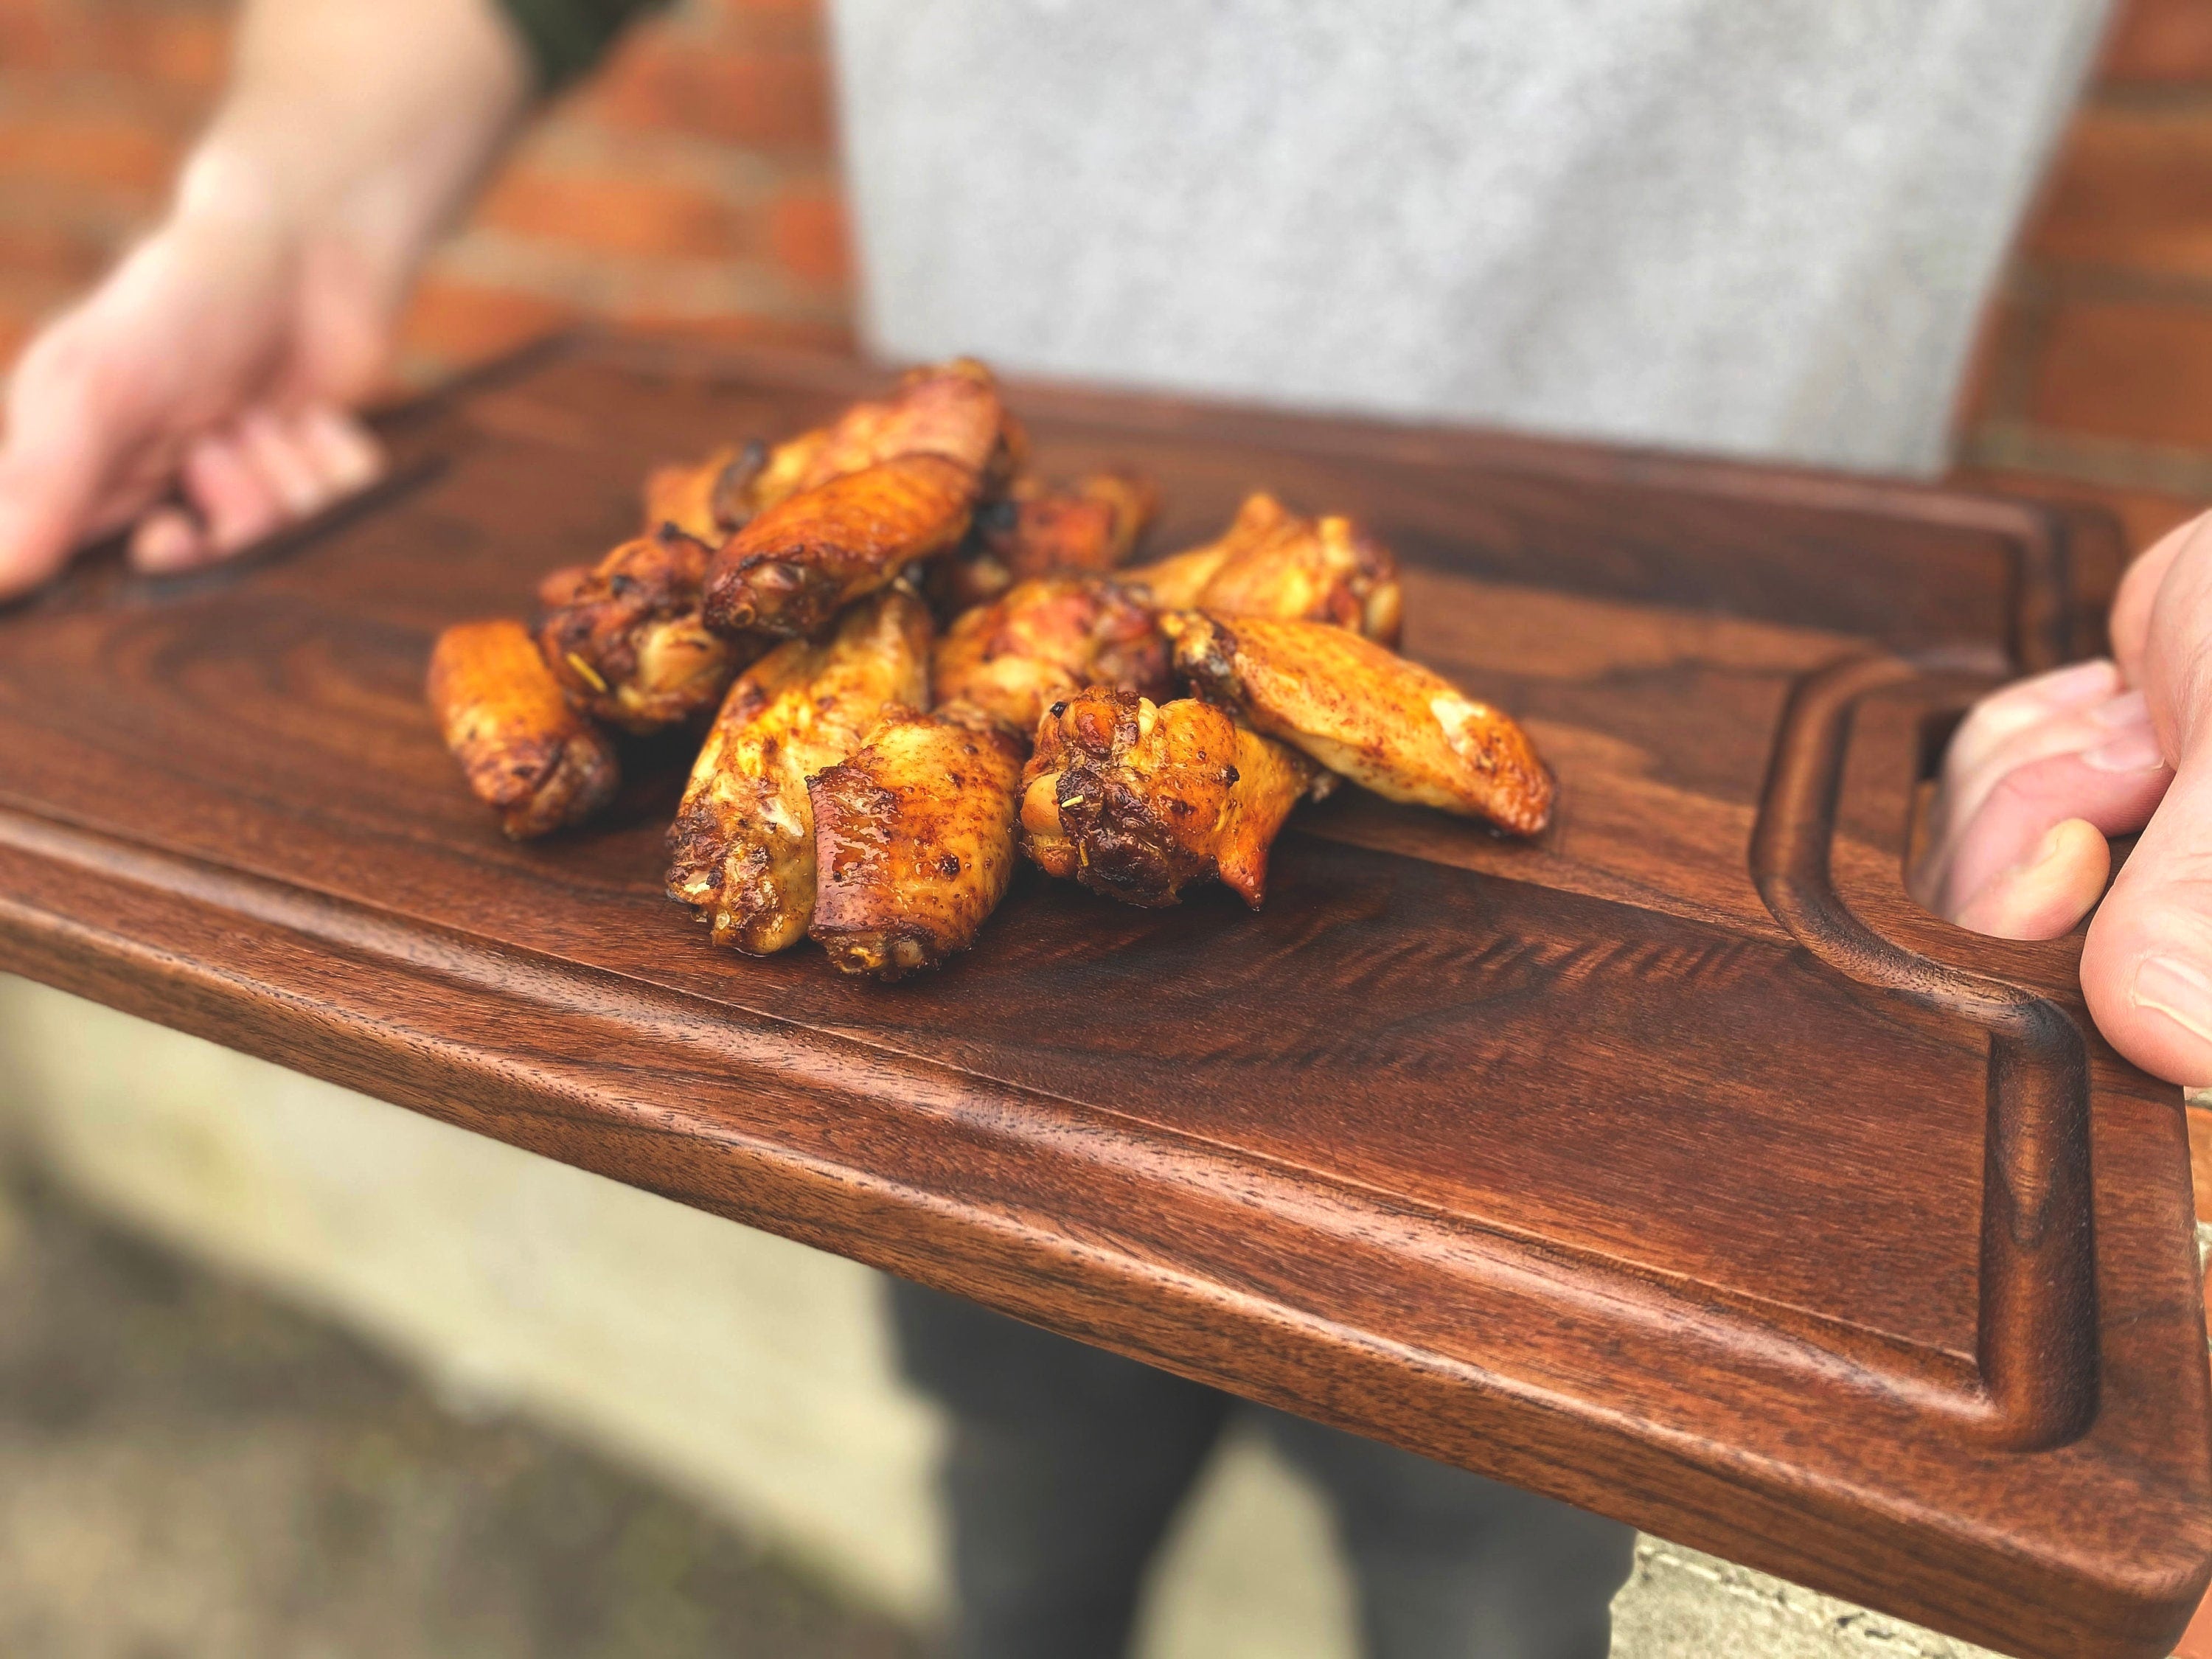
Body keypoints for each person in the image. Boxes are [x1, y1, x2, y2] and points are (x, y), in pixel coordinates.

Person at [0, 2, 2192, 1655]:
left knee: (1504, 1578)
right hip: (974, 1053)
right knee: (1021, 1501)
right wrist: (256, 224)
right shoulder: (855, 637)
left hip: (1686, 919)